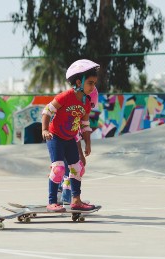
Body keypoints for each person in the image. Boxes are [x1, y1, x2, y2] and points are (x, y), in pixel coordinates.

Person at [41, 59, 99, 212]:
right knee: (59, 169)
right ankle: (52, 201)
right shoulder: (65, 96)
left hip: (70, 139)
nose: (93, 87)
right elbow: (47, 111)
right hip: (55, 137)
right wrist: (45, 129)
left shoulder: (86, 103)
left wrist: (88, 144)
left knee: (77, 168)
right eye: (91, 83)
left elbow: (85, 125)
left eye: (94, 83)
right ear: (79, 82)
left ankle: (76, 200)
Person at [58, 87, 99, 206]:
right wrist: (80, 154)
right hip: (65, 141)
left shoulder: (73, 108)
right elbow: (75, 136)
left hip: (59, 141)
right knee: (73, 169)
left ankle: (58, 195)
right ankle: (67, 198)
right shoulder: (75, 113)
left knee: (62, 170)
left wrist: (87, 144)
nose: (88, 109)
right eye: (90, 105)